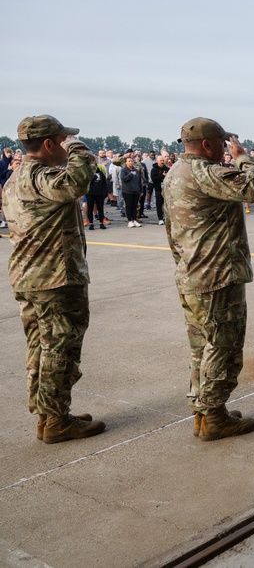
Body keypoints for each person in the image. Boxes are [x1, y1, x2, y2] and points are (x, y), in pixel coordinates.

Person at [163, 117, 254, 441]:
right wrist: (242, 156)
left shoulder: (174, 174)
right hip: (217, 275)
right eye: (223, 143)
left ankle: (204, 410)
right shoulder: (205, 172)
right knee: (223, 345)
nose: (226, 148)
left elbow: (170, 229)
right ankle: (213, 416)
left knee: (202, 347)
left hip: (192, 273)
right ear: (208, 145)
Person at [3, 115, 106, 443]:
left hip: (30, 277)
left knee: (41, 347)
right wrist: (81, 150)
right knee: (60, 347)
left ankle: (48, 415)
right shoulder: (41, 176)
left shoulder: (16, 178)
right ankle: (56, 420)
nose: (67, 145)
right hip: (54, 279)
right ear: (49, 144)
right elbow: (75, 183)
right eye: (63, 140)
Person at [120, 156, 143, 228]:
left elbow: (139, 181)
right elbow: (123, 179)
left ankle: (134, 219)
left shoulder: (136, 170)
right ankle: (129, 220)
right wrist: (130, 174)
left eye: (132, 161)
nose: (131, 162)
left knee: (135, 206)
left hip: (136, 191)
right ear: (126, 162)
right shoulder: (124, 170)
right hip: (127, 191)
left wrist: (141, 190)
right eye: (129, 161)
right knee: (129, 206)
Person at [85, 163, 109, 230]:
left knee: (100, 208)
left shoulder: (100, 173)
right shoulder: (88, 173)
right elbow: (86, 182)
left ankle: (101, 223)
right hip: (90, 193)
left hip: (99, 194)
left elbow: (104, 183)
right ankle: (91, 223)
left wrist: (105, 193)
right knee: (90, 208)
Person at [150, 154, 170, 225]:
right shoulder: (154, 169)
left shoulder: (167, 169)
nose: (162, 162)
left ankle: (166, 216)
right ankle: (160, 218)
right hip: (158, 189)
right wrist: (162, 176)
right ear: (157, 161)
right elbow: (154, 179)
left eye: (162, 160)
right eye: (160, 160)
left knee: (167, 204)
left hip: (167, 189)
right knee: (159, 203)